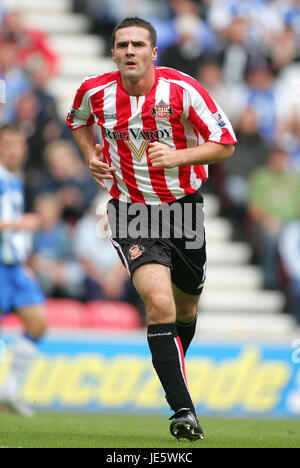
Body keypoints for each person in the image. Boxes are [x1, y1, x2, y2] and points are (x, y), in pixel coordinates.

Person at [67, 17, 236, 441]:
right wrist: (90, 155)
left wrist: (177, 158)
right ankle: (183, 410)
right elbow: (77, 121)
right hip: (131, 210)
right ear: (113, 53)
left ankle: (170, 363)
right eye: (122, 44)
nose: (129, 51)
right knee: (158, 303)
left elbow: (225, 143)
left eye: (138, 44)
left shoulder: (183, 91)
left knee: (185, 309)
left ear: (153, 52)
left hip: (182, 209)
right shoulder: (93, 91)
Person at [0, 123, 47, 416]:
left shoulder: (17, 179)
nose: (16, 150)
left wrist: (25, 262)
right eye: (9, 144)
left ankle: (10, 389)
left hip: (14, 267)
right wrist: (20, 224)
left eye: (19, 145)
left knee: (38, 322)